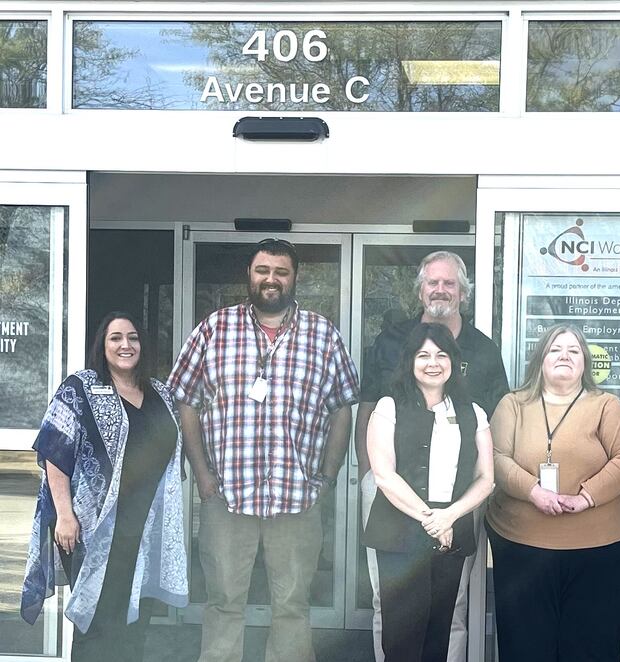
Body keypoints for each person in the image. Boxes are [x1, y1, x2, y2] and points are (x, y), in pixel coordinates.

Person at [168, 238, 359, 662]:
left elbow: (343, 408)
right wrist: (202, 475)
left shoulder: (322, 334)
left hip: (296, 499)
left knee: (292, 607)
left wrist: (326, 478)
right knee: (222, 602)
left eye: (281, 271)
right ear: (249, 275)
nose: (271, 279)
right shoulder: (215, 329)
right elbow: (185, 401)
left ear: (295, 278)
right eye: (262, 270)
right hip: (227, 499)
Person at [356, 250, 508, 662]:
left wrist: (453, 512)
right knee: (389, 605)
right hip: (392, 493)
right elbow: (368, 406)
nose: (440, 290)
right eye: (432, 282)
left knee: (451, 606)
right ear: (420, 290)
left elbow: (497, 425)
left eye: (450, 283)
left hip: (458, 501)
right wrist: (371, 475)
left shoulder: (484, 351)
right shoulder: (391, 343)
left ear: (463, 292)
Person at [20, 312, 187, 662]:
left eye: (133, 338)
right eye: (116, 338)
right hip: (94, 530)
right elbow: (54, 450)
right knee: (97, 622)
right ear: (103, 344)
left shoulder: (161, 394)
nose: (125, 345)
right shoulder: (79, 388)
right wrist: (64, 515)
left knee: (136, 623)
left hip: (147, 530)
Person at [487, 323, 620, 662]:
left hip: (599, 553)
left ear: (585, 362)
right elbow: (495, 459)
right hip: (522, 551)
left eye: (573, 351)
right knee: (526, 648)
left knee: (590, 648)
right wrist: (533, 491)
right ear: (540, 360)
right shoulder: (513, 405)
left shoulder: (606, 405)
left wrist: (585, 496)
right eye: (555, 349)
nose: (564, 356)